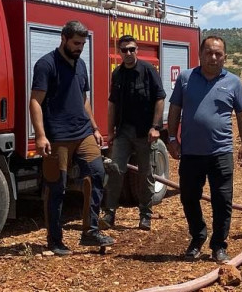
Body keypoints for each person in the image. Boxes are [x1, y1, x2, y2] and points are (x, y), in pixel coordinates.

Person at [30, 20, 115, 255]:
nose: (79, 48)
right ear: (63, 38)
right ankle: (54, 239)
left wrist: (95, 127)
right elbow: (35, 101)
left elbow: (83, 99)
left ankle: (90, 231)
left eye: (82, 44)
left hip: (83, 132)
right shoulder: (46, 65)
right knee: (57, 187)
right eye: (76, 43)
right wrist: (40, 135)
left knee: (96, 174)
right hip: (58, 136)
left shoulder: (81, 65)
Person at [166, 36, 242, 262]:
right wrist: (172, 139)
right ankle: (197, 237)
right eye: (209, 53)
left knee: (222, 200)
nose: (213, 57)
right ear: (200, 54)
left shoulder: (233, 82)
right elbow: (175, 108)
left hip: (221, 152)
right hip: (191, 152)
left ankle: (219, 245)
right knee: (189, 197)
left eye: (218, 53)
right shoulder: (186, 78)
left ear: (224, 56)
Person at [102, 35, 166, 231]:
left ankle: (145, 215)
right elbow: (112, 104)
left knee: (146, 174)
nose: (128, 53)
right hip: (123, 131)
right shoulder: (118, 74)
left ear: (137, 50)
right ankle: (109, 213)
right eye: (124, 50)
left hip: (144, 132)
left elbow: (160, 98)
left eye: (131, 49)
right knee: (115, 171)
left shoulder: (148, 71)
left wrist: (155, 127)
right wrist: (110, 131)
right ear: (120, 52)